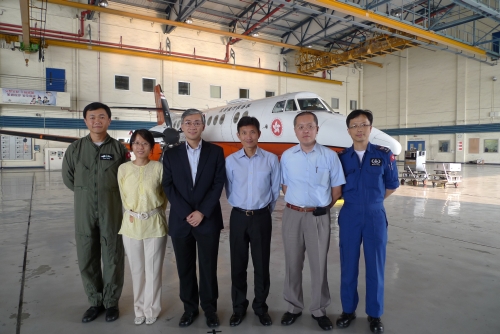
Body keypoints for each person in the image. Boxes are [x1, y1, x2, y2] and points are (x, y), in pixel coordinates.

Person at [62, 102, 128, 323]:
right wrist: (87, 193)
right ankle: (94, 301)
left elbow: (126, 178)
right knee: (86, 255)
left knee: (113, 255)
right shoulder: (75, 149)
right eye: (92, 117)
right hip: (84, 210)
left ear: (109, 120)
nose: (97, 121)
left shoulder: (119, 149)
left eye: (102, 117)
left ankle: (111, 303)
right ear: (85, 121)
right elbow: (69, 178)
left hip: (112, 209)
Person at [280, 111, 345, 331]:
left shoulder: (329, 156)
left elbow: (336, 189)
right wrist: (298, 204)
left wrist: (322, 208)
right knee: (292, 262)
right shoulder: (287, 156)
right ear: (295, 130)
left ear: (317, 129)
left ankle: (318, 309)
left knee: (319, 264)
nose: (305, 130)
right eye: (300, 126)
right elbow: (285, 186)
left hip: (319, 216)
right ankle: (293, 306)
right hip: (292, 215)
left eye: (310, 126)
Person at [335, 109, 399, 334]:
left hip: (374, 216)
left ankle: (374, 314)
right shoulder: (342, 157)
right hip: (349, 214)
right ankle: (348, 310)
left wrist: (372, 202)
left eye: (363, 124)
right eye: (354, 125)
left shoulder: (384, 154)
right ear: (348, 130)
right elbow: (336, 188)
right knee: (348, 264)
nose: (359, 129)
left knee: (376, 266)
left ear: (370, 128)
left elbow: (392, 185)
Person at [162, 109, 226, 329]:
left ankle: (210, 309)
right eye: (188, 123)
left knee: (208, 268)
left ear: (203, 126)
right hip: (181, 221)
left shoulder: (216, 152)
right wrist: (185, 212)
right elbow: (167, 185)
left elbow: (218, 184)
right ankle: (189, 309)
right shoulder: (171, 155)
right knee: (185, 268)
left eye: (196, 122)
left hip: (207, 220)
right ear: (182, 126)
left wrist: (202, 212)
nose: (192, 126)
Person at [225, 116, 280, 327]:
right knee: (238, 265)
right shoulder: (231, 161)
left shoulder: (270, 159)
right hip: (238, 217)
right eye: (244, 133)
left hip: (261, 217)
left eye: (252, 132)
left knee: (261, 264)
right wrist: (240, 207)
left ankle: (260, 307)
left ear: (259, 134)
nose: (249, 137)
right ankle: (238, 308)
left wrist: (264, 210)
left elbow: (275, 190)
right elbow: (228, 188)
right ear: (238, 135)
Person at [118, 129, 168, 326]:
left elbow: (164, 197)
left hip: (155, 224)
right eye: (137, 143)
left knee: (154, 270)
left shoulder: (159, 168)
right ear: (131, 145)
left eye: (145, 143)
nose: (140, 147)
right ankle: (138, 308)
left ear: (152, 147)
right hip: (131, 225)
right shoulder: (123, 169)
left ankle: (152, 309)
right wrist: (132, 213)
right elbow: (123, 196)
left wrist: (153, 213)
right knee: (137, 270)